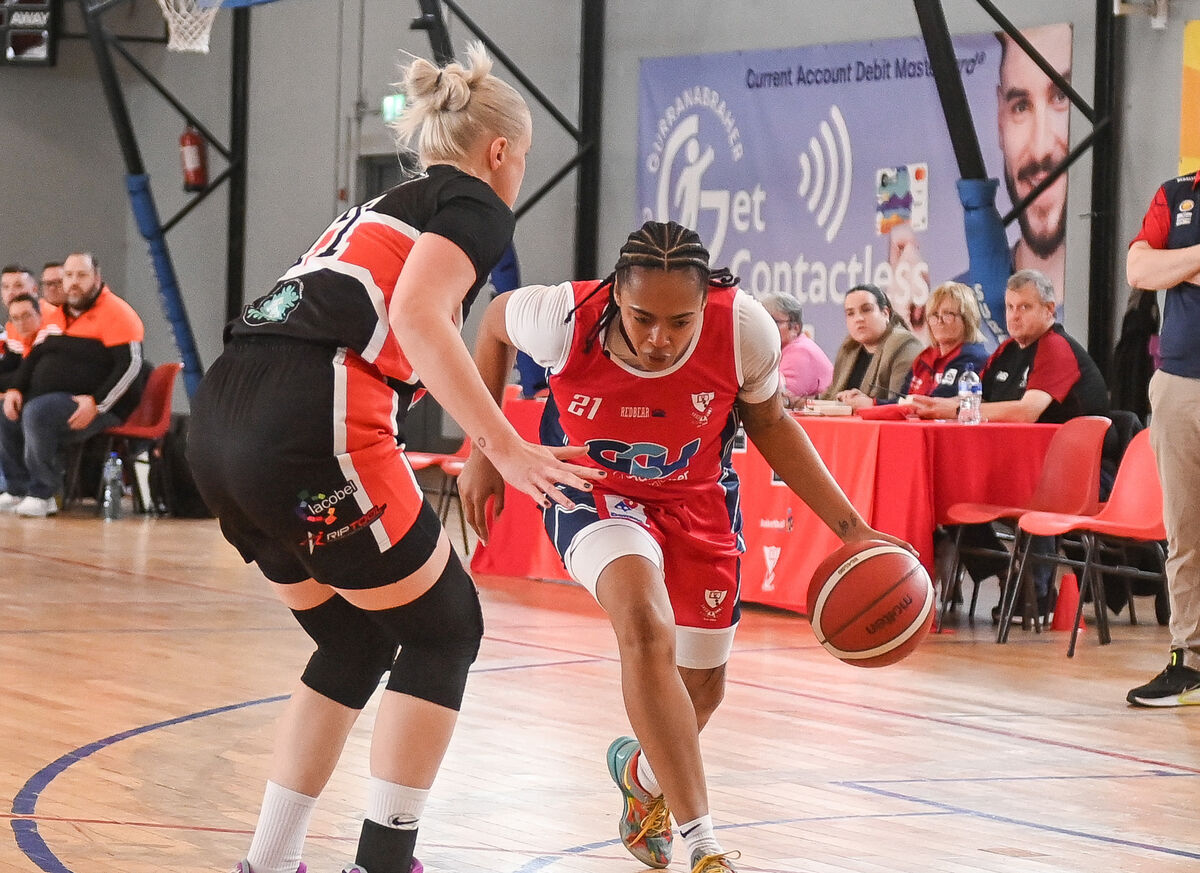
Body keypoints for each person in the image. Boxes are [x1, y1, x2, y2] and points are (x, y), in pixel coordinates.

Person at [185, 44, 602, 873]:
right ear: (500, 153)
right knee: (447, 627)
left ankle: (268, 863)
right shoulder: (477, 203)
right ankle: (382, 864)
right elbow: (419, 316)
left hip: (220, 425)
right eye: (524, 160)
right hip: (310, 423)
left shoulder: (379, 207)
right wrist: (504, 444)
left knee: (352, 640)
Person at [460, 220, 915, 873]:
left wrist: (853, 529)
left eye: (680, 322)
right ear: (617, 293)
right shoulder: (562, 315)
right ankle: (703, 842)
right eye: (643, 317)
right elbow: (494, 322)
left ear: (707, 304)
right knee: (644, 625)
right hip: (594, 490)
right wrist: (487, 445)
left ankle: (641, 776)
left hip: (698, 497)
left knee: (701, 687)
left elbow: (771, 423)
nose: (659, 338)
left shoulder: (743, 328)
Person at [910, 269, 1107, 619]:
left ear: (1049, 309)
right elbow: (976, 402)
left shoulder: (1056, 348)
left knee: (1033, 494)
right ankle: (1004, 571)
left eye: (1025, 307)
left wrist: (953, 406)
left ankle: (1038, 594)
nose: (1014, 316)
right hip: (1019, 463)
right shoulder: (1006, 350)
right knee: (950, 489)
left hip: (1079, 473)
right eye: (1010, 307)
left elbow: (1027, 412)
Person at [1124, 170, 1200, 707]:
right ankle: (1189, 661)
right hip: (1179, 383)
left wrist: (1178, 263)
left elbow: (1160, 267)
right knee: (1185, 531)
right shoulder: (1178, 193)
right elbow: (1138, 268)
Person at [0, 252, 145, 518]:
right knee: (8, 411)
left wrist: (97, 403)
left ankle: (44, 493)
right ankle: (17, 487)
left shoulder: (118, 313)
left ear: (97, 278)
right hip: (56, 398)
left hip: (95, 405)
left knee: (37, 412)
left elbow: (131, 366)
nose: (74, 282)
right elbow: (36, 356)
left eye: (81, 275)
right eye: (69, 276)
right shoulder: (55, 316)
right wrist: (15, 389)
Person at [823, 282, 923, 408]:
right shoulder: (849, 349)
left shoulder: (904, 345)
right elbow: (829, 397)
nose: (858, 318)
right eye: (850, 313)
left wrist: (868, 403)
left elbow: (901, 403)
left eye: (866, 310)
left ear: (885, 313)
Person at [896, 281, 988, 401]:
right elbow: (900, 401)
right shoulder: (924, 358)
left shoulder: (973, 358)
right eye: (934, 315)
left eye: (948, 314)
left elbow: (937, 404)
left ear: (967, 319)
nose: (939, 321)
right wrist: (872, 403)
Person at [760, 291, 832, 405]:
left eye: (774, 321)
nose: (767, 326)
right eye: (763, 320)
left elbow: (775, 401)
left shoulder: (800, 351)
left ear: (795, 328)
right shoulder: (782, 350)